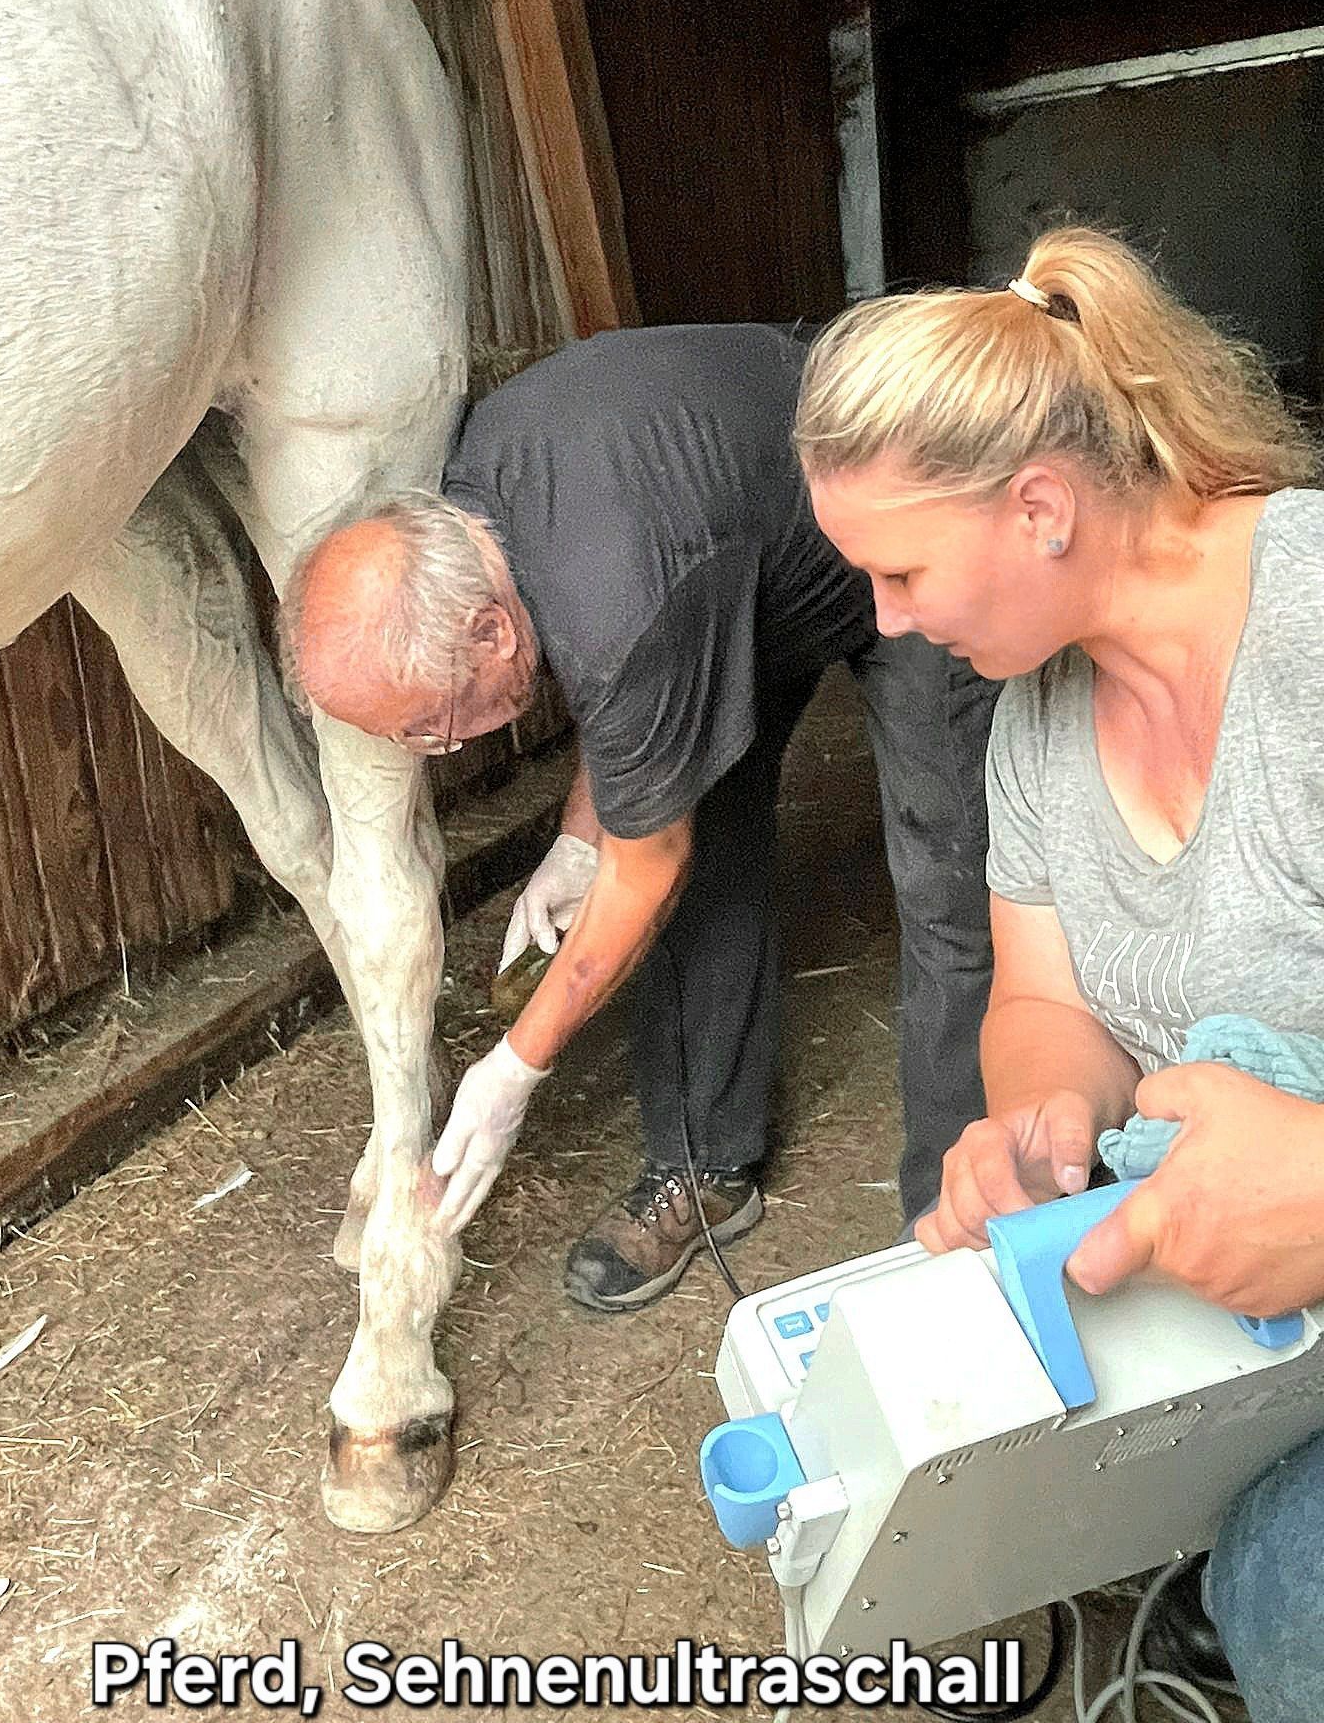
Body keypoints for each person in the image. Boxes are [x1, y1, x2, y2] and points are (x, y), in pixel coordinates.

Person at [793, 225, 1324, 1723]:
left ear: (1039, 508)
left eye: (898, 573)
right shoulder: (1035, 723)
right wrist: (1035, 1129)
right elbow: (1045, 1004)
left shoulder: (1313, 620)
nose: (890, 624)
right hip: (1241, 1268)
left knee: (1293, 1595)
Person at [288, 322, 998, 1311]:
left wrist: (512, 1068)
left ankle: (963, 1216)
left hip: (892, 528)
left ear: (491, 629)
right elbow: (620, 698)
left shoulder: (622, 598)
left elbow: (643, 846)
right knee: (701, 844)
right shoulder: (478, 509)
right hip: (728, 565)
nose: (441, 747)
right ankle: (704, 1165)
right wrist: (578, 841)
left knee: (948, 876)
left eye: (434, 726)